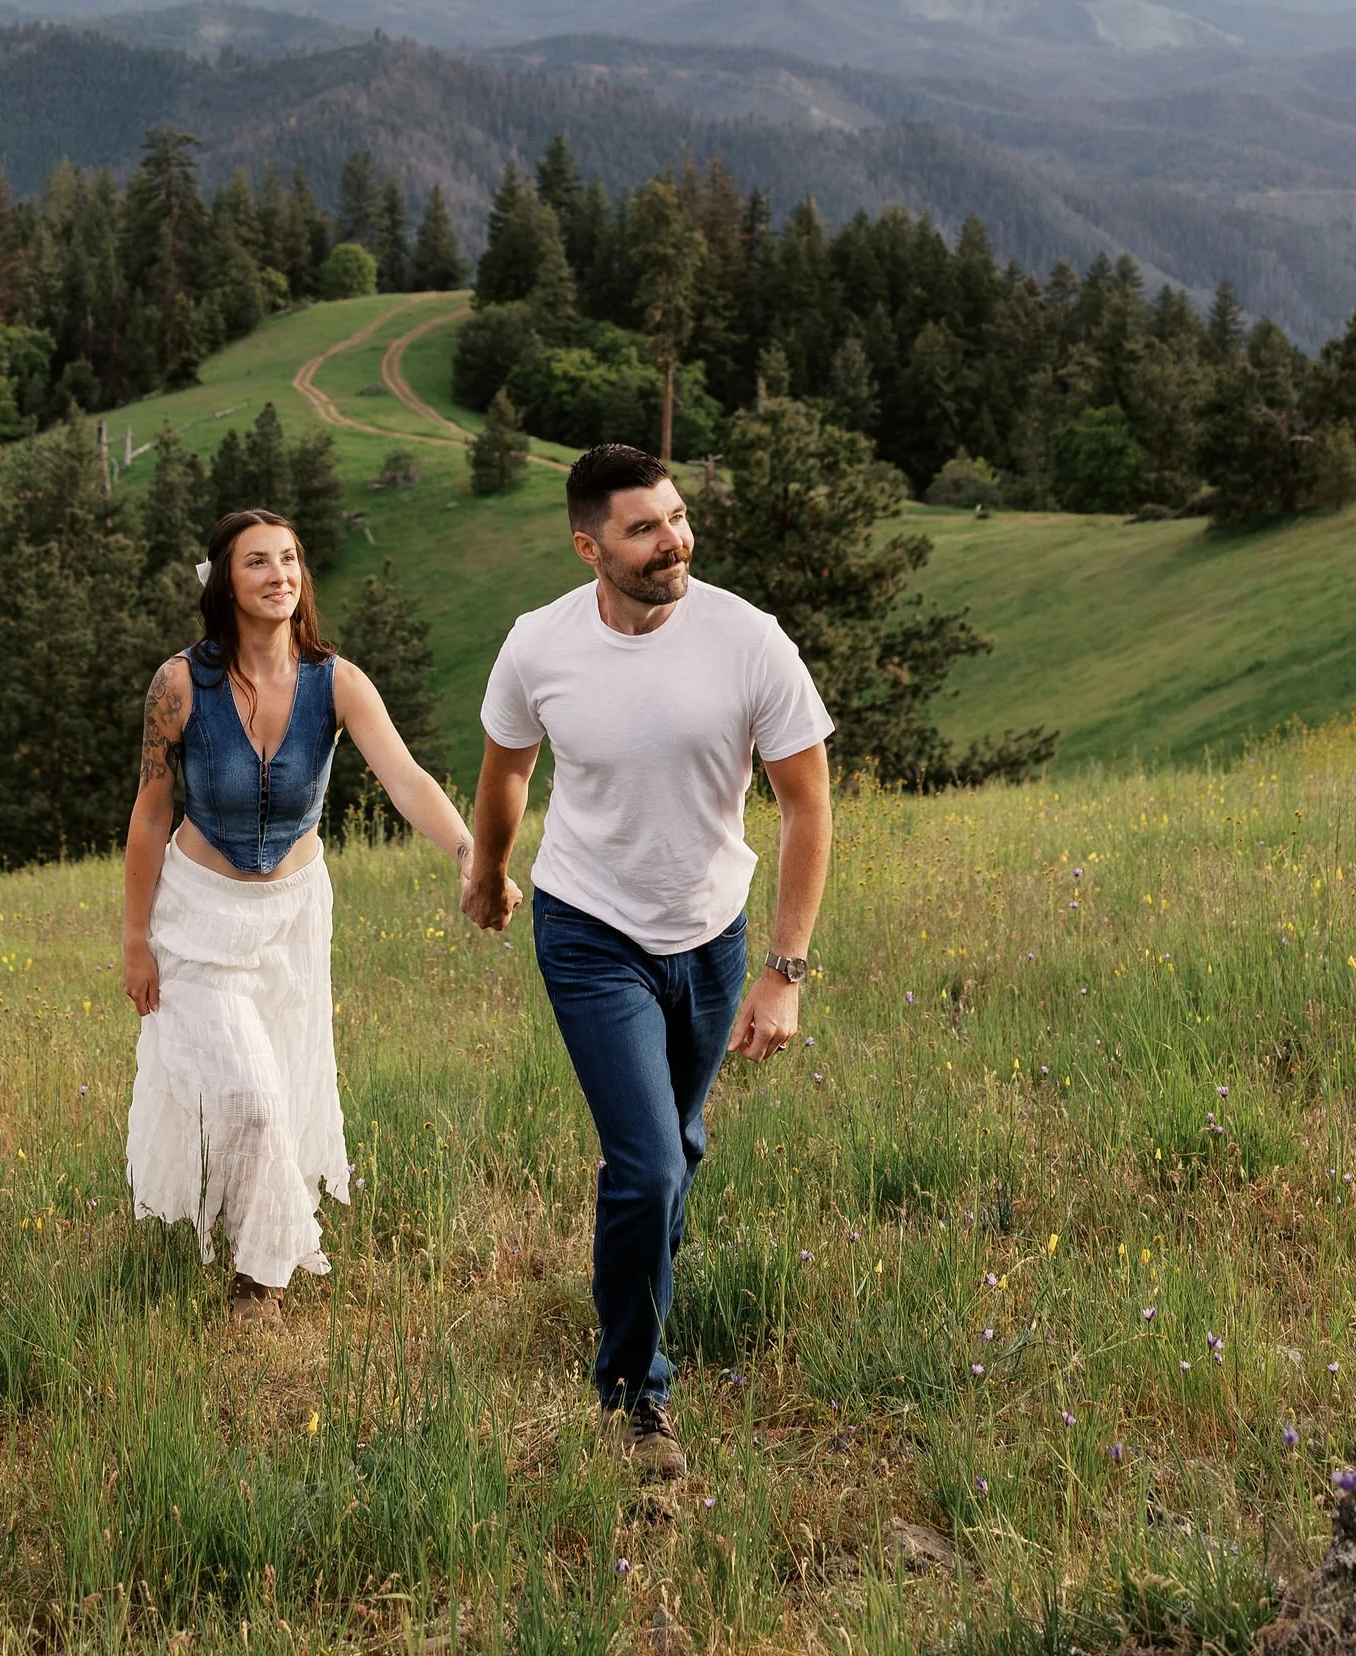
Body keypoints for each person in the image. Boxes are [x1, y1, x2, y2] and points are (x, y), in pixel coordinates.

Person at [461, 443, 833, 1480]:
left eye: (673, 518)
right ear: (589, 547)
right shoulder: (537, 646)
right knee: (649, 1163)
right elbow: (506, 771)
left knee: (677, 1149)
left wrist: (782, 970)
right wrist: (489, 872)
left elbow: (806, 805)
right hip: (587, 927)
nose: (671, 540)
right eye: (641, 528)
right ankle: (634, 1396)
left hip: (709, 932)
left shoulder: (747, 642)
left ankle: (632, 1285)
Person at [124, 504, 473, 1319]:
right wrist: (136, 940)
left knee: (281, 1086)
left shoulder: (337, 682)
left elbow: (406, 777)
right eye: (257, 562)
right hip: (199, 919)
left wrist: (467, 851)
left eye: (289, 560)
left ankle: (257, 1272)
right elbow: (149, 813)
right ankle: (264, 1279)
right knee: (250, 1098)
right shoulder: (181, 683)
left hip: (292, 918)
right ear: (226, 583)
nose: (279, 575)